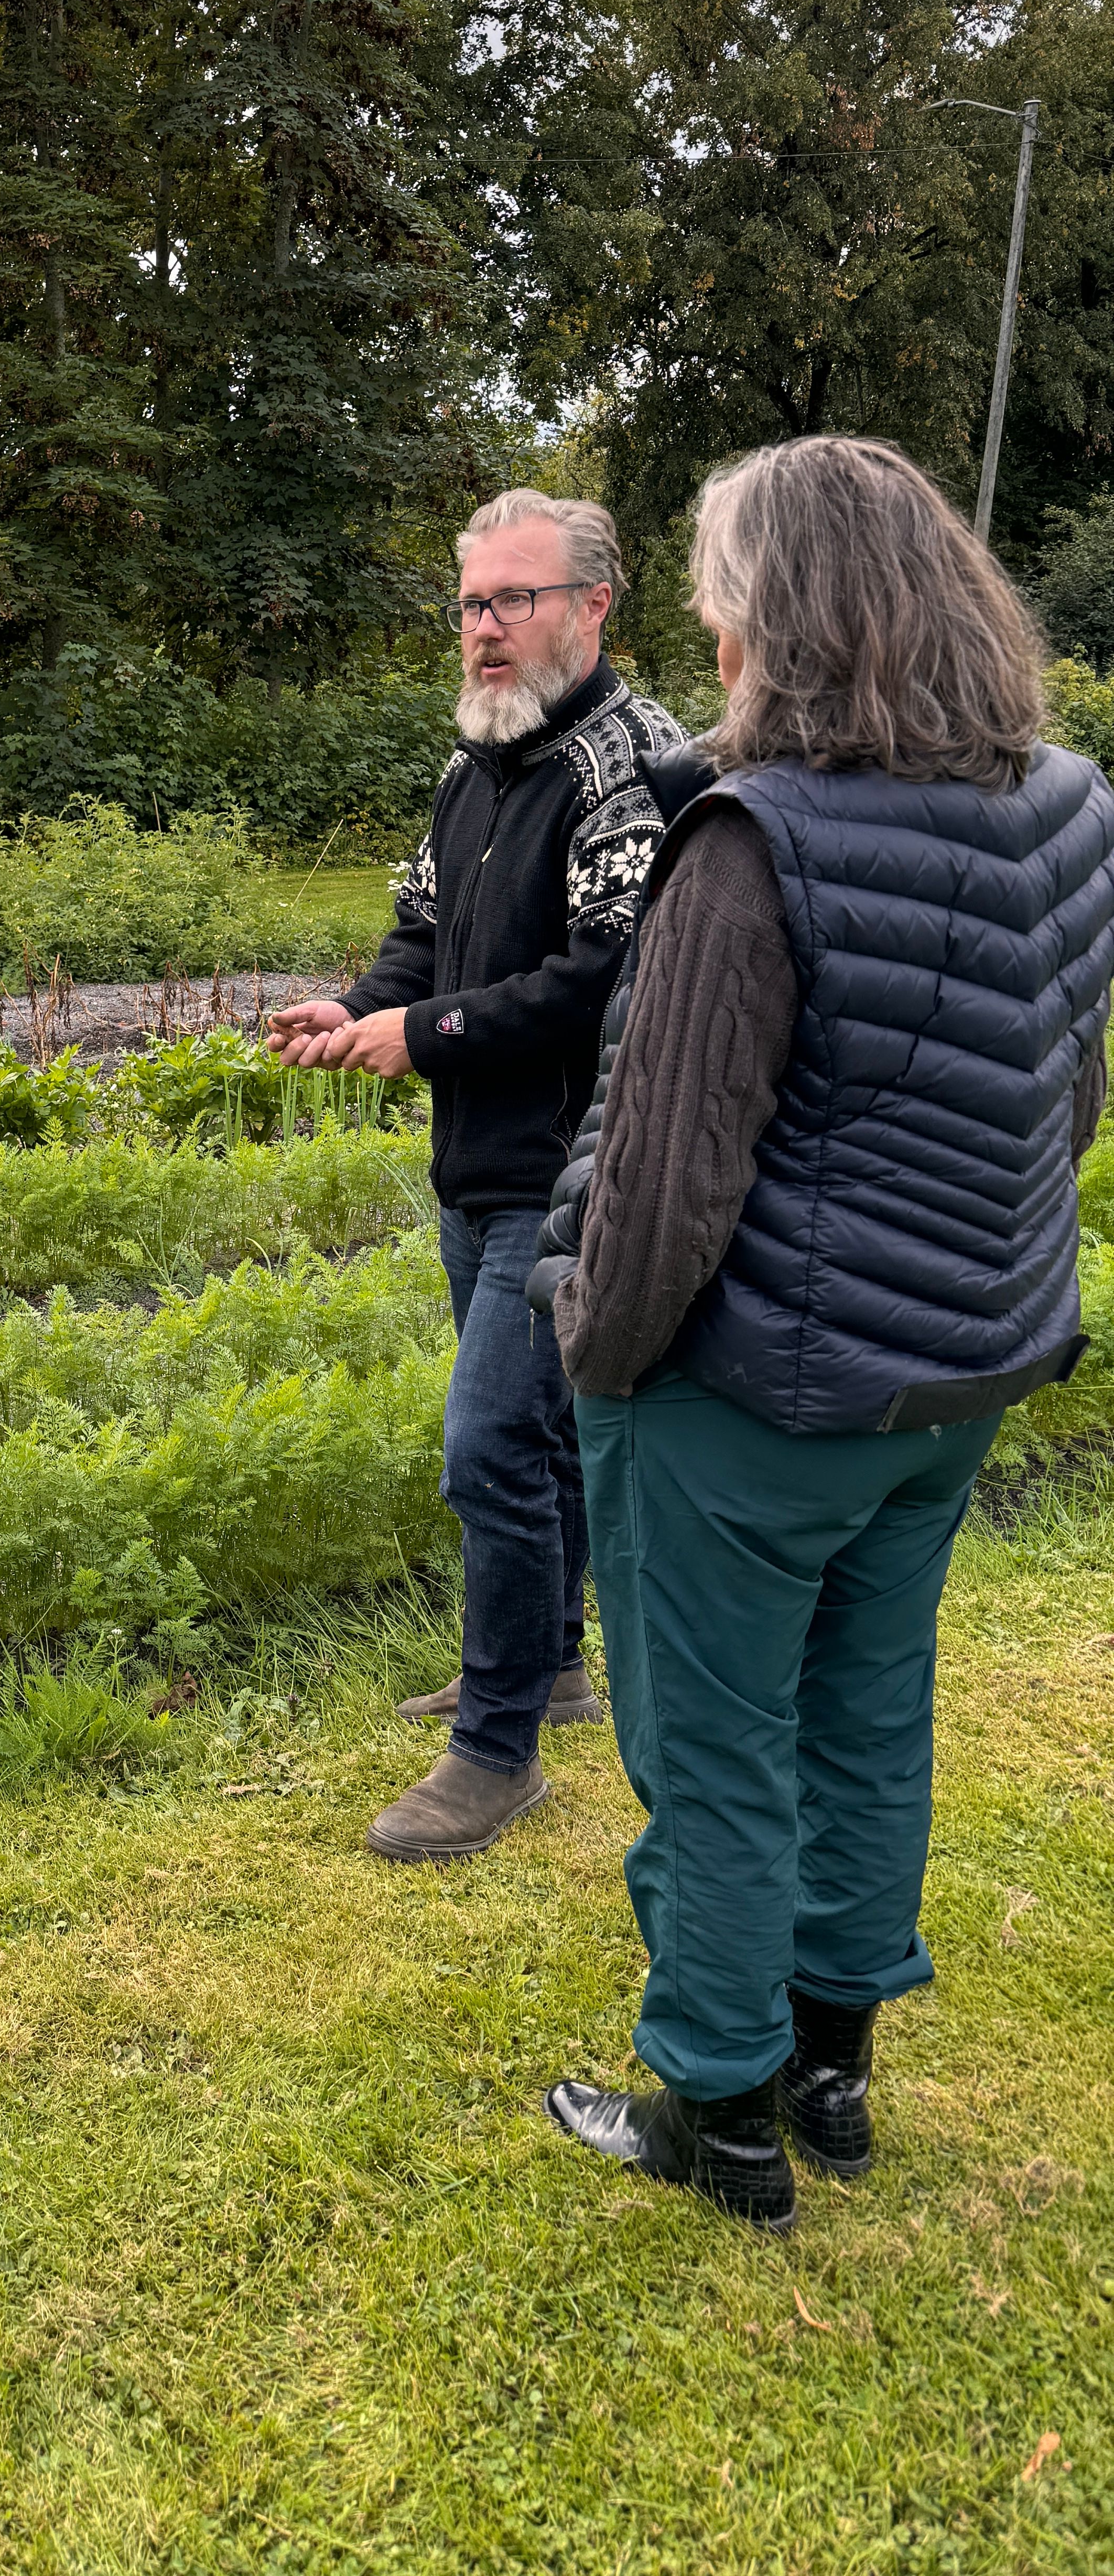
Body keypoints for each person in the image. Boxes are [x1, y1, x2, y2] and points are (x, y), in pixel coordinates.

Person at [532, 435, 1114, 2229]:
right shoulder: (1070, 801)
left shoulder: (749, 837)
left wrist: (595, 1356)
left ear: (772, 617)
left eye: (717, 589)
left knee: (714, 1753)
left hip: (755, 1399)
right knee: (867, 1721)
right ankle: (834, 2074)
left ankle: (715, 2110)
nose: (703, 621)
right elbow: (1061, 1095)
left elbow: (659, 1187)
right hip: (952, 1372)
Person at [270, 491, 684, 1862]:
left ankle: (496, 1751)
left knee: (492, 1445)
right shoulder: (477, 764)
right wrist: (355, 1009)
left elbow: (600, 985)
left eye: (514, 599)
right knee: (537, 1444)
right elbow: (421, 929)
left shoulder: (634, 771)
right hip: (478, 1161)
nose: (486, 627)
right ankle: (548, 1666)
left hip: (576, 1173)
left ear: (590, 607)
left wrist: (422, 1033)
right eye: (471, 602)